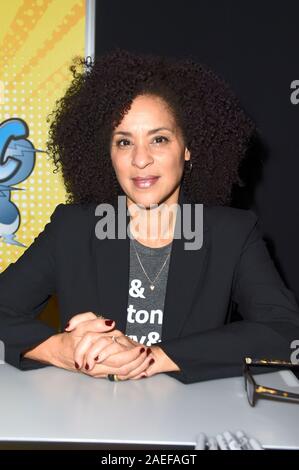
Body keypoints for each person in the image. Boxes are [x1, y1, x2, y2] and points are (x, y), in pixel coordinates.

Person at [1, 48, 299, 385]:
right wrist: (61, 349)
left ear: (188, 148)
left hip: (187, 424)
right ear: (108, 154)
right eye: (124, 142)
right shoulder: (73, 228)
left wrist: (152, 357)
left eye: (159, 139)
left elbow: (284, 331)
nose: (140, 159)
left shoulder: (232, 234)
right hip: (86, 423)